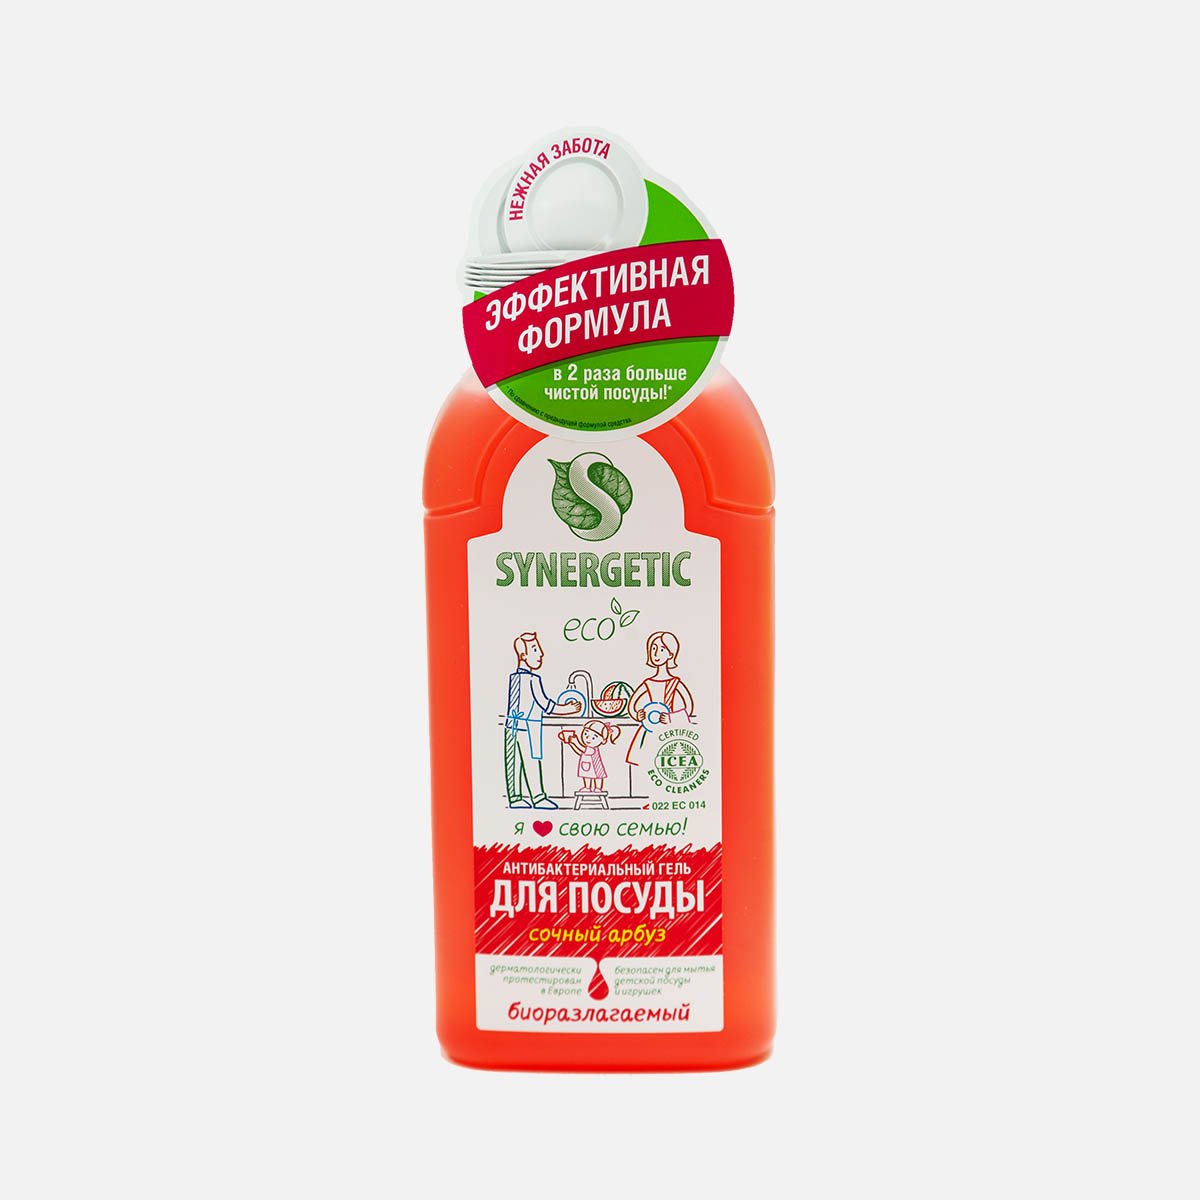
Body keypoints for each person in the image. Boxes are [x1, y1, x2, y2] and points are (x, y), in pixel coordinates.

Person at [505, 632, 580, 808]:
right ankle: (537, 798)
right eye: (535, 649)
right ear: (523, 655)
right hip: (528, 727)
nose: (541, 653)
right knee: (530, 762)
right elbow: (546, 705)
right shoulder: (533, 679)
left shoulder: (514, 678)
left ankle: (515, 798)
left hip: (512, 725)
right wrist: (569, 709)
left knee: (513, 763)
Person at [626, 631, 694, 766]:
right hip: (648, 728)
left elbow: (689, 708)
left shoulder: (675, 682)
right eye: (653, 648)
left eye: (662, 649)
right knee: (644, 763)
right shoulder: (648, 682)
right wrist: (637, 715)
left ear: (670, 654)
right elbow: (632, 705)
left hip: (668, 730)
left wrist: (671, 718)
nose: (656, 653)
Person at [559, 720, 621, 793]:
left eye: (593, 738)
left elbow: (583, 750)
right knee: (586, 776)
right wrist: (571, 744)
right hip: (586, 766)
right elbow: (579, 752)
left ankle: (598, 788)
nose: (588, 738)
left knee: (597, 777)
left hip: (595, 767)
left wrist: (575, 742)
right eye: (586, 734)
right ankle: (587, 787)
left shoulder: (592, 749)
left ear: (603, 741)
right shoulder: (588, 748)